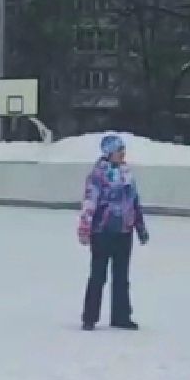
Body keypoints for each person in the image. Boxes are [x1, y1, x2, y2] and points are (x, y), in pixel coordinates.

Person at [78, 133, 149, 331]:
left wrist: (140, 227)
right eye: (119, 150)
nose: (122, 154)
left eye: (123, 150)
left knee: (121, 276)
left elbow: (134, 202)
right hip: (102, 231)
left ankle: (121, 316)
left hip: (124, 231)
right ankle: (90, 316)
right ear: (108, 152)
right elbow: (89, 203)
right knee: (98, 275)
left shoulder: (127, 173)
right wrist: (85, 228)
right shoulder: (97, 176)